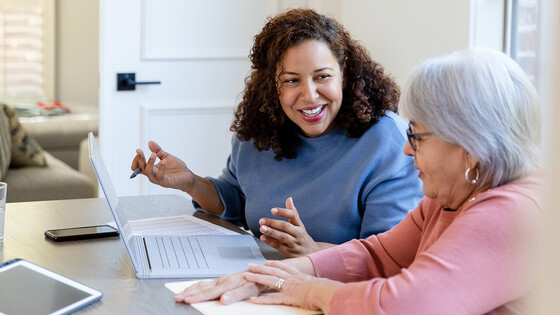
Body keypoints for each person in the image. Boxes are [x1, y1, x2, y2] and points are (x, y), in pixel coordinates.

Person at [174, 48, 545, 314]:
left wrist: (306, 289)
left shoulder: (509, 214)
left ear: (470, 147)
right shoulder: (449, 199)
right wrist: (268, 276)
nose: (406, 150)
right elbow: (377, 256)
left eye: (417, 136)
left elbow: (400, 305)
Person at [131, 9, 423, 258]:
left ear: (344, 76)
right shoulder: (260, 132)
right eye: (292, 80)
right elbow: (236, 200)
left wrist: (312, 252)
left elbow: (389, 257)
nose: (309, 95)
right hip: (261, 280)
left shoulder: (388, 143)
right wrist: (191, 183)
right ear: (273, 86)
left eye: (322, 76)